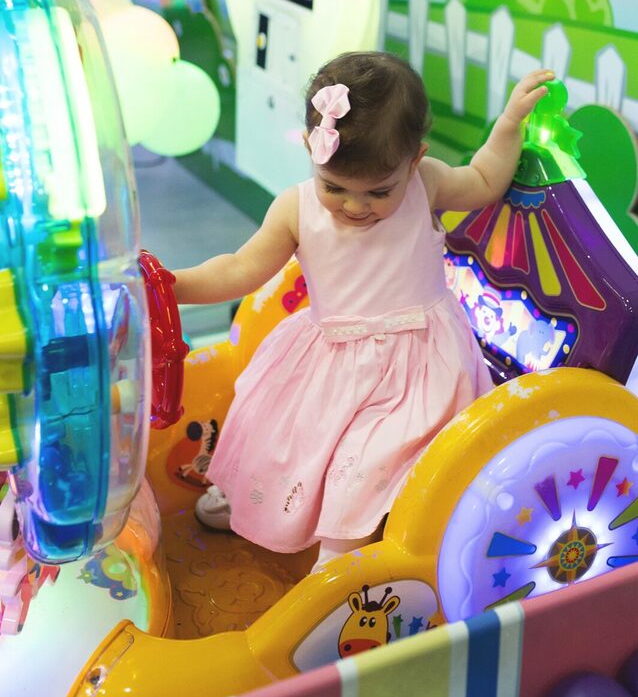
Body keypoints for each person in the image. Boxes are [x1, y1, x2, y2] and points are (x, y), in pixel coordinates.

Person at [171, 52, 554, 570]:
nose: (354, 206)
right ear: (310, 149)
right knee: (281, 431)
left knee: (367, 460)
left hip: (419, 368)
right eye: (334, 188)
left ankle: (337, 562)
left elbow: (485, 179)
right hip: (330, 360)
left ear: (414, 160)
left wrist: (508, 123)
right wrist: (175, 286)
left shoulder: (426, 184)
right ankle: (250, 499)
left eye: (378, 191)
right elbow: (241, 268)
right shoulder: (295, 207)